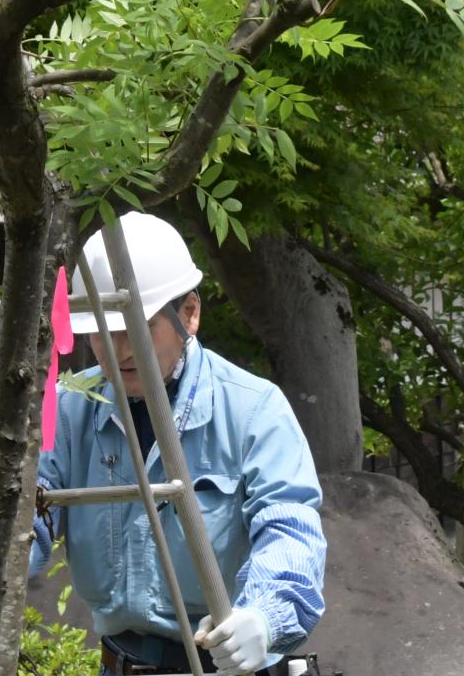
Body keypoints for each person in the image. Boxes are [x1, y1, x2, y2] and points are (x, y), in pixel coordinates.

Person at [34, 211, 327, 676]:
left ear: (189, 313)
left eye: (138, 326)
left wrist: (265, 617)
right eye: (102, 330)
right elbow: (26, 511)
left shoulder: (254, 410)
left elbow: (289, 529)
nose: (119, 348)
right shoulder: (68, 407)